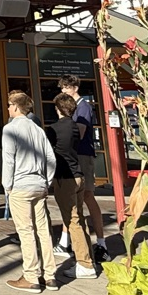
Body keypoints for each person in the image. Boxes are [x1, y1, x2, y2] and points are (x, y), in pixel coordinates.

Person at [2, 91, 57, 294]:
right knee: (43, 230)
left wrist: (7, 185)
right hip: (39, 184)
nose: (7, 108)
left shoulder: (10, 129)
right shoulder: (37, 129)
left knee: (26, 231)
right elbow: (51, 158)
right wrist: (47, 181)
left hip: (21, 184)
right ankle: (50, 275)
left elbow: (9, 160)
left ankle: (31, 275)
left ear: (16, 106)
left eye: (9, 105)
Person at [57, 75, 110, 263]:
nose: (64, 91)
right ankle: (65, 241)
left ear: (75, 87)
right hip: (76, 155)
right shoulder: (77, 108)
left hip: (82, 155)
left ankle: (101, 243)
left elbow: (78, 133)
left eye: (66, 87)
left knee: (86, 195)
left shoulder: (83, 107)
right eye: (62, 88)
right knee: (73, 199)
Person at [46, 93, 97, 279]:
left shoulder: (53, 129)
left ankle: (85, 264)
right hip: (78, 175)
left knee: (72, 220)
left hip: (65, 177)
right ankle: (87, 258)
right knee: (80, 219)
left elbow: (47, 152)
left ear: (58, 108)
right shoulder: (75, 127)